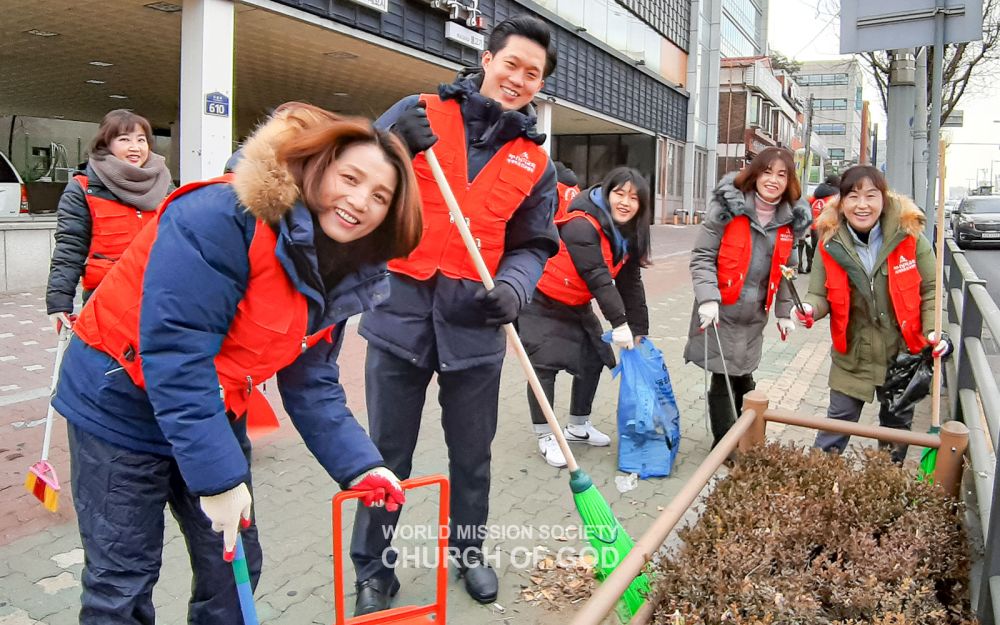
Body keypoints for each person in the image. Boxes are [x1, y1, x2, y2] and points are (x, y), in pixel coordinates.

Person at [52, 103, 422, 624]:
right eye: (350, 177)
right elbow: (177, 356)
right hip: (119, 406)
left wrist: (361, 463)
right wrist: (220, 480)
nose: (359, 201)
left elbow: (312, 381)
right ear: (317, 168)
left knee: (235, 567)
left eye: (380, 196)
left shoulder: (342, 268)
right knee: (123, 581)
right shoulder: (221, 217)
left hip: (214, 408)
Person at [350, 14, 560, 614]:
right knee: (385, 455)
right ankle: (374, 569)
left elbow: (533, 244)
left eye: (533, 74)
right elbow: (359, 179)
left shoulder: (534, 164)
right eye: (512, 64)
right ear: (487, 58)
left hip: (476, 328)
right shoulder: (416, 113)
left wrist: (516, 289)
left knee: (473, 456)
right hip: (400, 319)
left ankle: (469, 551)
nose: (519, 79)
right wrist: (390, 138)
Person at [796, 165, 949, 463]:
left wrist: (934, 331)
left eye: (871, 195)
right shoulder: (831, 241)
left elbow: (930, 290)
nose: (862, 205)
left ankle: (885, 497)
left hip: (902, 355)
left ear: (883, 197)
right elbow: (818, 294)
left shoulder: (910, 236)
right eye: (853, 196)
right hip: (852, 354)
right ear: (842, 201)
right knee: (834, 428)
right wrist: (809, 309)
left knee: (895, 434)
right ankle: (816, 493)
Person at [518, 167, 651, 467]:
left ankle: (578, 426)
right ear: (607, 192)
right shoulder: (581, 223)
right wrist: (619, 323)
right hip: (542, 299)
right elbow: (598, 278)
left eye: (633, 197)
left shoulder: (627, 233)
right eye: (619, 193)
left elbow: (630, 284)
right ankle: (546, 435)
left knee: (594, 357)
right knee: (544, 365)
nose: (625, 202)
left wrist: (639, 329)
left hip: (576, 304)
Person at [683, 147, 811, 447]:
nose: (773, 180)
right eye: (767, 172)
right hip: (720, 310)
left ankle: (746, 436)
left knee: (743, 374)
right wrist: (708, 298)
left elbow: (787, 269)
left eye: (782, 174)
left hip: (754, 316)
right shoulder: (728, 209)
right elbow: (702, 256)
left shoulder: (789, 220)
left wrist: (783, 313)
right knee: (722, 375)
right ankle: (725, 445)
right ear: (755, 174)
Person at [46, 109, 172, 328]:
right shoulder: (84, 188)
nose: (135, 147)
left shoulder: (165, 186)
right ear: (106, 144)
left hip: (161, 297)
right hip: (107, 299)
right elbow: (70, 248)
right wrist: (59, 303)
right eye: (124, 139)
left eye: (141, 140)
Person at [799, 174, 840, 273]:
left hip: (812, 226)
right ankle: (816, 268)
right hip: (825, 226)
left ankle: (809, 265)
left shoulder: (815, 197)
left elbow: (807, 206)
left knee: (811, 246)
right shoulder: (833, 197)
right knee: (822, 250)